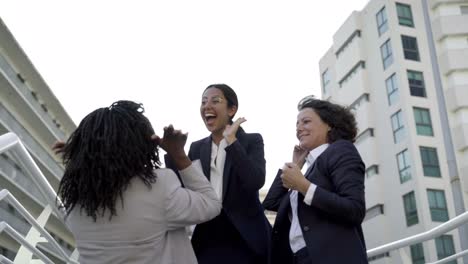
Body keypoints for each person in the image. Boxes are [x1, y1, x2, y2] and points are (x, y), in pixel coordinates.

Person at [55, 100, 221, 264]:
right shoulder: (158, 186)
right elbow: (211, 204)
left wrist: (83, 153)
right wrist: (178, 154)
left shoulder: (75, 199)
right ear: (142, 145)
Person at [167, 84, 271, 264]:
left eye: (215, 101)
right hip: (207, 236)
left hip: (245, 237)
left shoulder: (252, 140)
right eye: (203, 102)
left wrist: (231, 142)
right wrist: (173, 152)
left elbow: (255, 181)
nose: (207, 106)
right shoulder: (197, 147)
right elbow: (183, 186)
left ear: (232, 110)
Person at [263, 96, 368, 264]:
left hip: (330, 257)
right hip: (298, 257)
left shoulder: (340, 150)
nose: (299, 128)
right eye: (297, 124)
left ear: (329, 124)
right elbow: (271, 202)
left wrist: (304, 187)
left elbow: (354, 209)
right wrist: (295, 164)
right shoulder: (307, 170)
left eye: (306, 122)